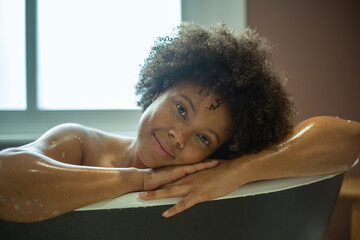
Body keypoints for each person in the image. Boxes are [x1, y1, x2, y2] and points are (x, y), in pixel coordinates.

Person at [0, 22, 359, 223]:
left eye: (203, 138)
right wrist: (139, 179)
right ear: (157, 89)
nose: (178, 136)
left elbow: (350, 139)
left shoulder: (208, 173)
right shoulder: (80, 142)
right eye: (181, 109)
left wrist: (238, 171)